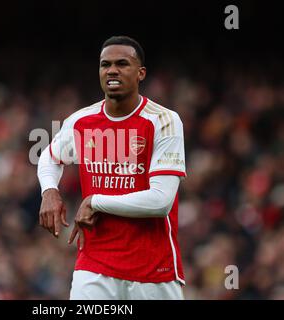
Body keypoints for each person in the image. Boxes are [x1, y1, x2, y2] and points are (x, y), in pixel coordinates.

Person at [37, 36, 186, 300]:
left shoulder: (163, 120)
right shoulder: (82, 121)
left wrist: (96, 201)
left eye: (122, 64)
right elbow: (49, 158)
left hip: (153, 270)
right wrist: (49, 190)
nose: (112, 70)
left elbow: (160, 201)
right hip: (94, 267)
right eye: (105, 64)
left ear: (141, 73)